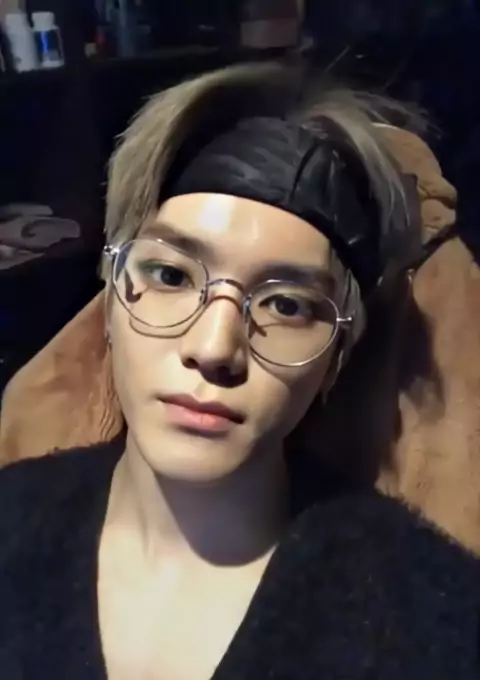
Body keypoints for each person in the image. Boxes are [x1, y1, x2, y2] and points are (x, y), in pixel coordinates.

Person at [0, 62, 478, 680]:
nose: (214, 347)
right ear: (113, 296)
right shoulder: (12, 517)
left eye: (287, 305)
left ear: (338, 352)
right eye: (171, 275)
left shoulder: (430, 619)